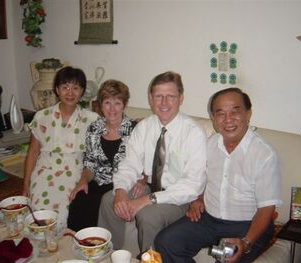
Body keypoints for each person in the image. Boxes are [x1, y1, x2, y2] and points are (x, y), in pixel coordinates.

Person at [154, 88, 282, 263]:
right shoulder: (210, 144)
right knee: (166, 242)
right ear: (214, 118)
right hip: (209, 220)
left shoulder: (264, 154)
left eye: (235, 111)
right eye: (220, 113)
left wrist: (245, 242)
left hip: (246, 225)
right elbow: (200, 178)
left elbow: (267, 209)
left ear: (248, 114)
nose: (228, 119)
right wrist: (197, 199)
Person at [98, 71, 207, 254]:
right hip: (149, 186)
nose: (164, 102)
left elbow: (192, 185)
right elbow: (130, 164)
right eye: (158, 96)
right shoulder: (144, 127)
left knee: (148, 215)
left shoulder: (193, 132)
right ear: (151, 98)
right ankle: (110, 255)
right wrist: (121, 191)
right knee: (109, 200)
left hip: (177, 196)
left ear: (180, 98)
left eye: (170, 96)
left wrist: (146, 200)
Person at [23, 66, 98, 230]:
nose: (70, 92)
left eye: (76, 88)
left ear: (82, 91)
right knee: (37, 216)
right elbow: (33, 152)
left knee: (63, 216)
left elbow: (96, 156)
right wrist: (26, 183)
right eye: (65, 87)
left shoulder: (91, 119)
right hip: (44, 170)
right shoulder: (42, 117)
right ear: (57, 89)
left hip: (74, 173)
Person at [67, 79, 141, 231]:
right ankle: (78, 245)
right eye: (107, 102)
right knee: (79, 199)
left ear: (125, 105)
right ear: (100, 105)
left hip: (123, 184)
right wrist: (83, 180)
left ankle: (97, 246)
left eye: (117, 103)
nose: (112, 109)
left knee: (99, 204)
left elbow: (145, 162)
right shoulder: (94, 128)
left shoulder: (136, 129)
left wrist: (144, 180)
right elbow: (90, 164)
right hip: (100, 181)